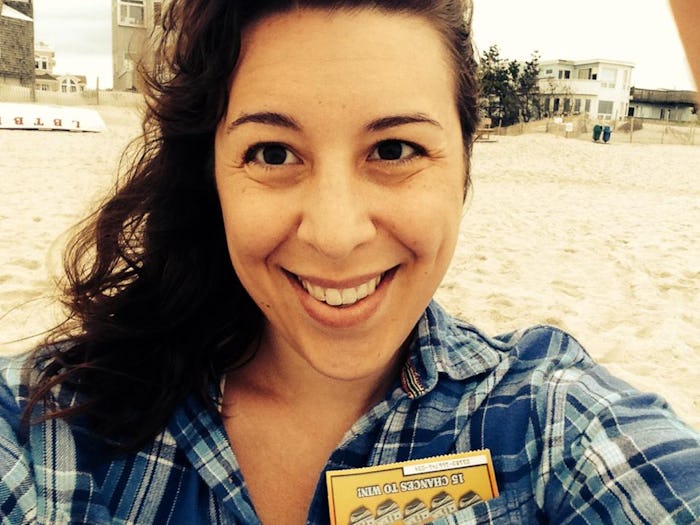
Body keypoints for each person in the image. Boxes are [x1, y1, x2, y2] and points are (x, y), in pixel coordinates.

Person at [1, 1, 699, 523]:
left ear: (464, 168)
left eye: (393, 150)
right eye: (273, 154)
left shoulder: (547, 423)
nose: (336, 235)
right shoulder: (49, 430)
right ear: (209, 173)